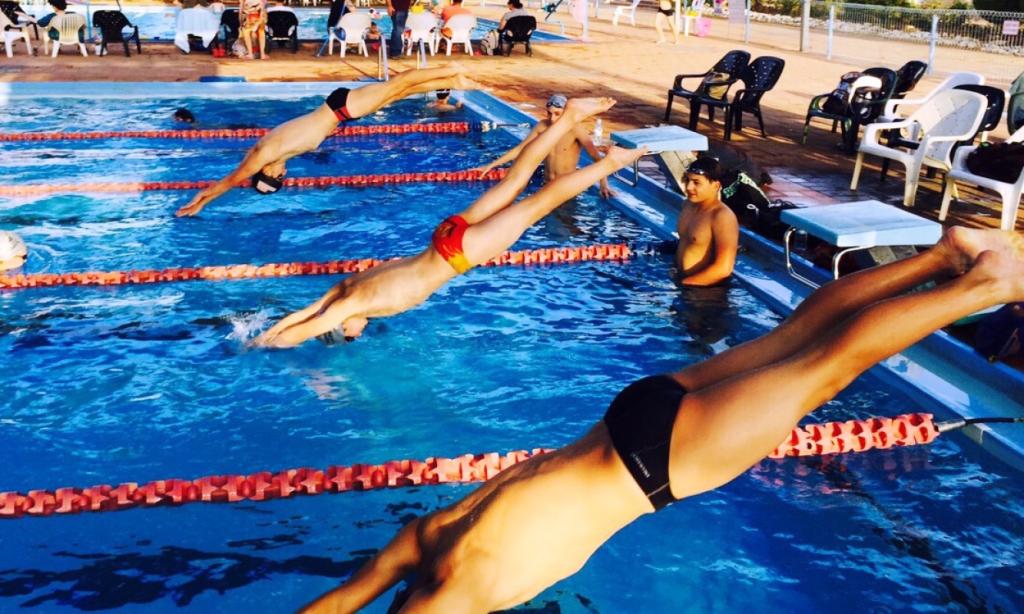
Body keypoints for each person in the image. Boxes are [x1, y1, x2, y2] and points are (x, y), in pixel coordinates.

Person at [299, 226, 1024, 613]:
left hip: (658, 465)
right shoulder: (418, 542)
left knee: (827, 366)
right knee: (796, 339)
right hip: (627, 418)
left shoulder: (452, 597)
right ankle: (944, 254)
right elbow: (333, 606)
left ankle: (985, 286)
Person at [253, 98, 638, 348]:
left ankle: (611, 162)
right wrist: (261, 336)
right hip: (442, 235)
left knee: (541, 202)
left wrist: (266, 348)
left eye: (350, 335)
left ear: (340, 326)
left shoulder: (351, 305)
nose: (360, 332)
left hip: (456, 255)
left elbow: (307, 328)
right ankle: (569, 115)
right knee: (516, 181)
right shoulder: (346, 288)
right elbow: (305, 314)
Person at [174, 64, 479, 217]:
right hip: (341, 112)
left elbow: (229, 180)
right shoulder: (282, 153)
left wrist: (201, 201)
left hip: (341, 108)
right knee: (399, 92)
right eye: (282, 179)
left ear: (265, 171)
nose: (283, 175)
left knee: (399, 82)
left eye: (277, 177)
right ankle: (451, 80)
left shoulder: (264, 153)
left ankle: (451, 71)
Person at [474, 94, 613, 200]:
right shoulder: (542, 126)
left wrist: (603, 185)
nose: (552, 118)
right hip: (545, 185)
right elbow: (521, 149)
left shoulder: (576, 129)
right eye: (549, 113)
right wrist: (491, 166)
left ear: (566, 112)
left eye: (557, 114)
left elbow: (596, 157)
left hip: (566, 188)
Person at [674, 157, 738, 286]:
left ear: (716, 186)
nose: (688, 187)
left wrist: (684, 284)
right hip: (683, 281)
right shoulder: (687, 205)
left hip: (706, 291)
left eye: (696, 183)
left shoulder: (722, 217)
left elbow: (724, 269)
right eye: (687, 180)